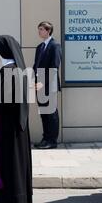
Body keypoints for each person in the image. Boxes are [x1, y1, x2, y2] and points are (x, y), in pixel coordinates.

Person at [0, 35, 33, 203]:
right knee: (14, 164)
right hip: (13, 126)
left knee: (9, 163)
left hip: (7, 127)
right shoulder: (14, 69)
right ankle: (16, 202)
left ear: (3, 50)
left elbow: (2, 101)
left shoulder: (9, 71)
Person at [33, 21, 61, 149]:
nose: (39, 32)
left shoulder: (55, 45)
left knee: (51, 113)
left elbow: (54, 67)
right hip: (39, 86)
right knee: (43, 113)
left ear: (48, 31)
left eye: (41, 29)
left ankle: (52, 140)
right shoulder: (39, 47)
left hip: (49, 86)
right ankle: (45, 138)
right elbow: (36, 66)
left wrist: (42, 83)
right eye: (38, 29)